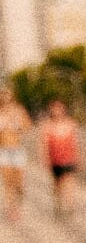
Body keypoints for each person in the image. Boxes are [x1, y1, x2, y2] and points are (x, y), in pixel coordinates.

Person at [39, 98, 80, 218]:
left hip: (68, 158)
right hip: (55, 159)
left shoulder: (71, 124)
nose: (57, 112)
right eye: (55, 109)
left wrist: (78, 156)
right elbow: (44, 144)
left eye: (59, 109)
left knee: (69, 181)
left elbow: (75, 142)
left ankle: (70, 204)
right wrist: (45, 158)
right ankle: (58, 203)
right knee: (57, 183)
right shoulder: (47, 126)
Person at [0, 86, 33, 225]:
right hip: (4, 150)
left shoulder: (19, 111)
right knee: (8, 182)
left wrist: (18, 123)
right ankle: (12, 209)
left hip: (17, 149)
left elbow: (28, 126)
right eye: (3, 95)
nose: (6, 97)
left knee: (18, 182)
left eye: (8, 94)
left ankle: (18, 199)